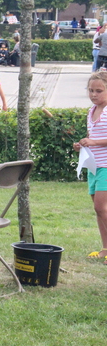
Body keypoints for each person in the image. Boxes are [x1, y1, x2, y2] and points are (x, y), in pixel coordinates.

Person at [74, 72, 107, 265]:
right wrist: (82, 144)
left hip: (106, 166)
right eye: (91, 90)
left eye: (99, 91)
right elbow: (91, 135)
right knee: (99, 211)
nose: (94, 94)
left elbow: (97, 139)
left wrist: (93, 141)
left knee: (100, 207)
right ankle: (105, 248)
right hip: (93, 166)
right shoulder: (91, 111)